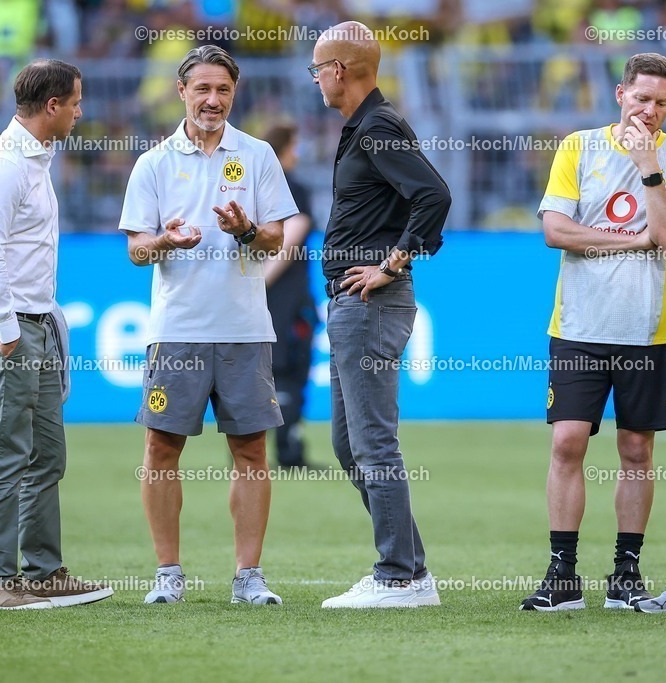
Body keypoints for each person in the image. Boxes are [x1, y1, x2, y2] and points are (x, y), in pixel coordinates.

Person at [119, 45, 297, 606]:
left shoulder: (258, 155)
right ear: (182, 92)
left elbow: (277, 236)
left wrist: (247, 229)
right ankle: (168, 574)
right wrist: (166, 240)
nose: (213, 99)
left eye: (222, 89)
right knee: (161, 449)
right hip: (178, 328)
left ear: (234, 93)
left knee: (250, 452)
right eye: (202, 89)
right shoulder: (153, 163)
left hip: (245, 326)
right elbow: (135, 252)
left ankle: (249, 577)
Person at [522, 53, 666, 612]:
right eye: (641, 97)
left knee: (636, 449)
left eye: (662, 101)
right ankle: (562, 574)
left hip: (648, 328)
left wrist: (649, 169)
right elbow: (555, 231)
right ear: (621, 94)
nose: (650, 109)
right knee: (567, 442)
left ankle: (626, 575)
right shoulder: (578, 146)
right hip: (579, 324)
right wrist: (630, 241)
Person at [0, 59, 112, 610]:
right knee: (8, 454)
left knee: (46, 454)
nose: (79, 111)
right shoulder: (2, 166)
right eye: (75, 101)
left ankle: (44, 573)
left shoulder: (36, 160)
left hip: (35, 321)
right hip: (4, 325)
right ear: (52, 106)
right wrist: (6, 332)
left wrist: (44, 324)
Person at [309, 21, 451, 608]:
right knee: (351, 446)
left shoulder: (378, 126)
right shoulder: (365, 126)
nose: (316, 77)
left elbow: (434, 196)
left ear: (339, 70)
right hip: (353, 301)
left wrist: (391, 265)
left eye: (318, 67)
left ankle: (399, 575)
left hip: (370, 300)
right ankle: (410, 569)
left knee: (372, 443)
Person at [262, 121, 318, 470]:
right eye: (296, 145)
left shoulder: (253, 187)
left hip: (259, 301)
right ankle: (288, 452)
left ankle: (249, 452)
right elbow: (290, 239)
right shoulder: (292, 187)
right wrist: (260, 282)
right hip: (287, 300)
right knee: (290, 373)